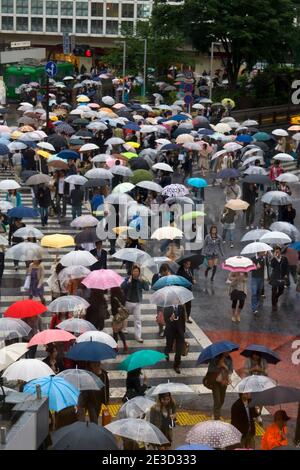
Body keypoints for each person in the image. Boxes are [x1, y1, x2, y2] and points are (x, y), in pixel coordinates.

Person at [121, 265, 149, 343]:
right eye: (134, 271)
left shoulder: (140, 280)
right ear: (132, 272)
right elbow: (122, 287)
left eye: (137, 271)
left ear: (139, 272)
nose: (136, 273)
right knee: (124, 317)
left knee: (138, 320)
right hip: (128, 302)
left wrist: (144, 281)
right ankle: (124, 328)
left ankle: (138, 336)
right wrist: (128, 282)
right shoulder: (128, 279)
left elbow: (147, 288)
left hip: (137, 303)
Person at [207, 352, 233, 420]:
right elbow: (210, 370)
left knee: (222, 400)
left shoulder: (229, 359)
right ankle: (216, 416)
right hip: (215, 382)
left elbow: (230, 370)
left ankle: (215, 412)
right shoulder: (215, 358)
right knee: (217, 400)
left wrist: (225, 367)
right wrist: (218, 366)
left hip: (224, 382)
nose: (228, 352)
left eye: (229, 351)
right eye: (226, 351)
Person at [164, 303, 186, 374]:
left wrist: (183, 331)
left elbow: (183, 319)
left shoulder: (181, 307)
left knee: (179, 350)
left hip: (179, 331)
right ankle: (166, 352)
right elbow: (165, 320)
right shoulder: (167, 307)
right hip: (170, 330)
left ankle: (176, 365)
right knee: (169, 346)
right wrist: (170, 318)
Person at [269, 247, 288, 311]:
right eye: (276, 252)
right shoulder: (273, 259)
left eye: (278, 251)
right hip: (274, 276)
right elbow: (271, 266)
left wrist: (286, 274)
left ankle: (276, 298)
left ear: (280, 252)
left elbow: (286, 267)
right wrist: (274, 258)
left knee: (281, 290)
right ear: (274, 252)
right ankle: (274, 305)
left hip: (281, 277)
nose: (277, 253)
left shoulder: (284, 258)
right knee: (273, 291)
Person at [110, 286, 128, 353]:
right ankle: (125, 345)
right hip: (122, 317)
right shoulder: (122, 294)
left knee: (115, 332)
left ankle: (115, 347)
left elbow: (113, 309)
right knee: (120, 331)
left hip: (116, 317)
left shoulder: (113, 297)